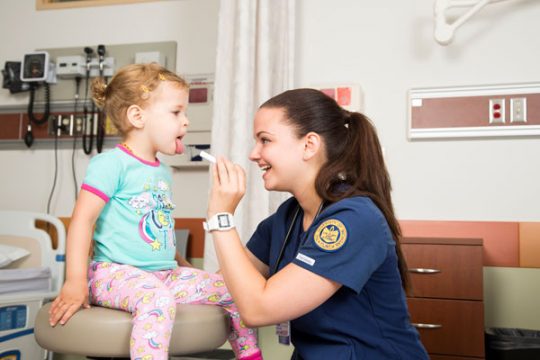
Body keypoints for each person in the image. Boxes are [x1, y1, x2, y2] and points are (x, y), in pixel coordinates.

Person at [48, 63, 262, 360]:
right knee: (156, 299)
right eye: (176, 113)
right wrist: (74, 280)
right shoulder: (111, 164)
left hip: (163, 273)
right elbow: (83, 221)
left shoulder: (163, 170)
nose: (185, 122)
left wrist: (183, 264)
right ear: (137, 116)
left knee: (232, 288)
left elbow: (156, 227)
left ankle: (250, 355)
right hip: (113, 273)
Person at [206, 88, 429, 359]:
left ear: (309, 145)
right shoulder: (285, 219)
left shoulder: (354, 219)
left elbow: (258, 309)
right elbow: (219, 286)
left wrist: (221, 218)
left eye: (265, 140)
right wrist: (160, 264)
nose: (253, 154)